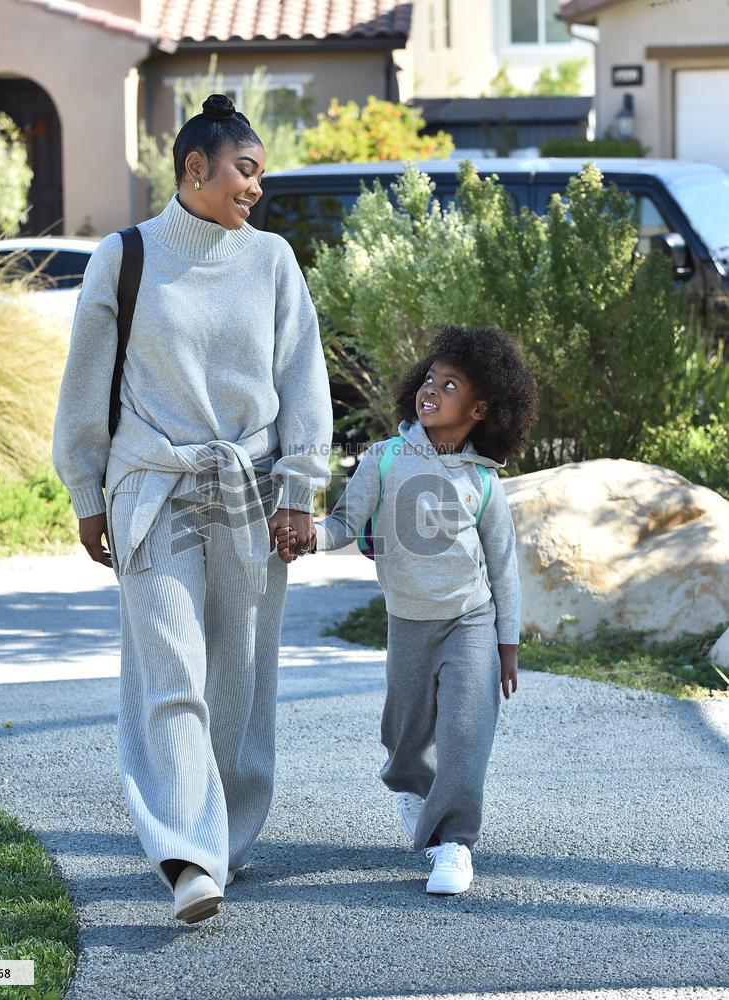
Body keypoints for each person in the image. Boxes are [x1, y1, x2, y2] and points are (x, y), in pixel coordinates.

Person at [52, 94, 332, 924]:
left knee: (239, 678)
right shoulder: (125, 256)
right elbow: (84, 385)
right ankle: (189, 856)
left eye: (261, 177)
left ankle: (227, 840)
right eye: (245, 171)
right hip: (152, 487)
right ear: (195, 168)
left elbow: (300, 379)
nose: (255, 188)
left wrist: (300, 491)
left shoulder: (273, 260)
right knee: (174, 671)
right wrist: (86, 490)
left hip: (246, 490)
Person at [278, 325, 538, 895]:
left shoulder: (484, 484)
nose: (431, 390)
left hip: (470, 620)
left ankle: (454, 844)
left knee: (467, 731)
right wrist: (308, 538)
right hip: (408, 622)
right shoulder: (384, 459)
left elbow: (503, 568)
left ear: (479, 409)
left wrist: (507, 643)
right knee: (405, 736)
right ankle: (414, 794)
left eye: (450, 385)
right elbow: (344, 524)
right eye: (429, 379)